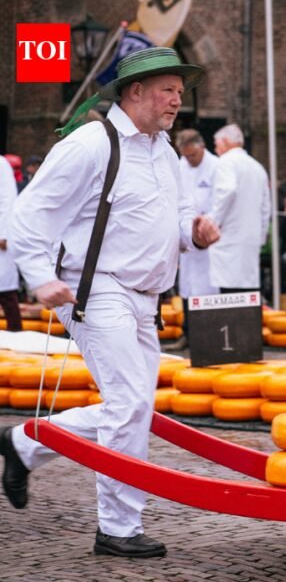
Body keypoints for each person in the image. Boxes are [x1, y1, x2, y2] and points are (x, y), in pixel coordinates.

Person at [1, 47, 220, 557]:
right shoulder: (91, 144)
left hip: (145, 297)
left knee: (132, 408)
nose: (177, 101)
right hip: (94, 287)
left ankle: (22, 444)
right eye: (168, 89)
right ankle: (118, 527)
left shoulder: (164, 150)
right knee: (128, 405)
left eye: (180, 92)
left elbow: (180, 215)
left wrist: (196, 232)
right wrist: (39, 278)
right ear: (135, 91)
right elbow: (29, 215)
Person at [209, 123, 271, 294]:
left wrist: (214, 222)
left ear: (225, 142)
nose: (215, 149)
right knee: (248, 293)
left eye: (216, 144)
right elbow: (266, 208)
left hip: (229, 236)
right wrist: (261, 236)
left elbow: (226, 191)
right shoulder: (258, 167)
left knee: (228, 292)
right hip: (250, 238)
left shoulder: (225, 162)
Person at [173, 129, 219, 348]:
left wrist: (205, 222)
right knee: (187, 286)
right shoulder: (180, 167)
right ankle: (188, 333)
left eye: (193, 155)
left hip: (207, 235)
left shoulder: (216, 167)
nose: (190, 159)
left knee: (207, 288)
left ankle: (207, 334)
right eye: (186, 155)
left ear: (202, 147)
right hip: (186, 233)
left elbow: (220, 202)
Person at [0, 156, 21, 331]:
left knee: (5, 292)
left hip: (1, 235)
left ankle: (16, 334)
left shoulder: (1, 164)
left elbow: (8, 200)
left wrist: (4, 233)